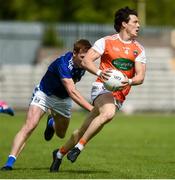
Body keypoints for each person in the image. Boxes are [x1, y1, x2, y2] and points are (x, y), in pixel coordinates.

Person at [49, 6, 147, 172]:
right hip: (101, 87)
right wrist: (102, 73)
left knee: (81, 130)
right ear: (124, 24)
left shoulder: (139, 49)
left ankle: (59, 154)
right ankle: (79, 148)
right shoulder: (106, 42)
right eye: (135, 21)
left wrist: (128, 81)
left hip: (119, 94)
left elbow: (140, 77)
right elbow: (87, 61)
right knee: (108, 113)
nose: (139, 25)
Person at [1, 39, 93, 171]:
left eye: (87, 57)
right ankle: (9, 163)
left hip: (63, 100)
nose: (85, 61)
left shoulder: (85, 63)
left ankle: (51, 123)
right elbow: (72, 91)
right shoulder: (63, 64)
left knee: (61, 134)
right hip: (44, 94)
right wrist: (92, 109)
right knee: (30, 125)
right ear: (74, 53)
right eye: (82, 57)